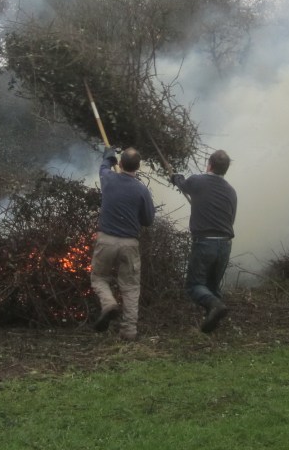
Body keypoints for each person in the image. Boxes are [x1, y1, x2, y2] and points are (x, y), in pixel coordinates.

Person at [90, 146, 156, 341]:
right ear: (138, 167)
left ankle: (108, 303)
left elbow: (103, 166)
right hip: (129, 244)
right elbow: (148, 220)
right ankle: (128, 331)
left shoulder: (108, 179)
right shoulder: (142, 190)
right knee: (130, 287)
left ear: (120, 163)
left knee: (99, 278)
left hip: (106, 241)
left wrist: (109, 156)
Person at [170, 150, 238, 333]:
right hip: (225, 244)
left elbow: (182, 184)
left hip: (205, 243)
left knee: (194, 286)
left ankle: (215, 306)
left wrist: (175, 177)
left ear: (209, 165)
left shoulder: (198, 181)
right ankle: (211, 327)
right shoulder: (231, 191)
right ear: (225, 169)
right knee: (212, 286)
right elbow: (230, 219)